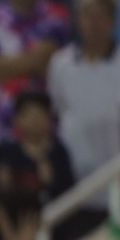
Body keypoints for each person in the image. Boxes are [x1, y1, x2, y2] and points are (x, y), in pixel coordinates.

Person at [0, 0, 74, 145]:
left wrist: (0, 67)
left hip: (49, 129)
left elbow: (54, 63)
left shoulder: (55, 14)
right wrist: (33, 61)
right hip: (0, 127)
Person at [47, 0, 120, 183]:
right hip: (76, 169)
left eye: (100, 16)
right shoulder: (60, 64)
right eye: (87, 16)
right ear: (77, 21)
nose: (94, 23)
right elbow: (58, 109)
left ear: (112, 20)